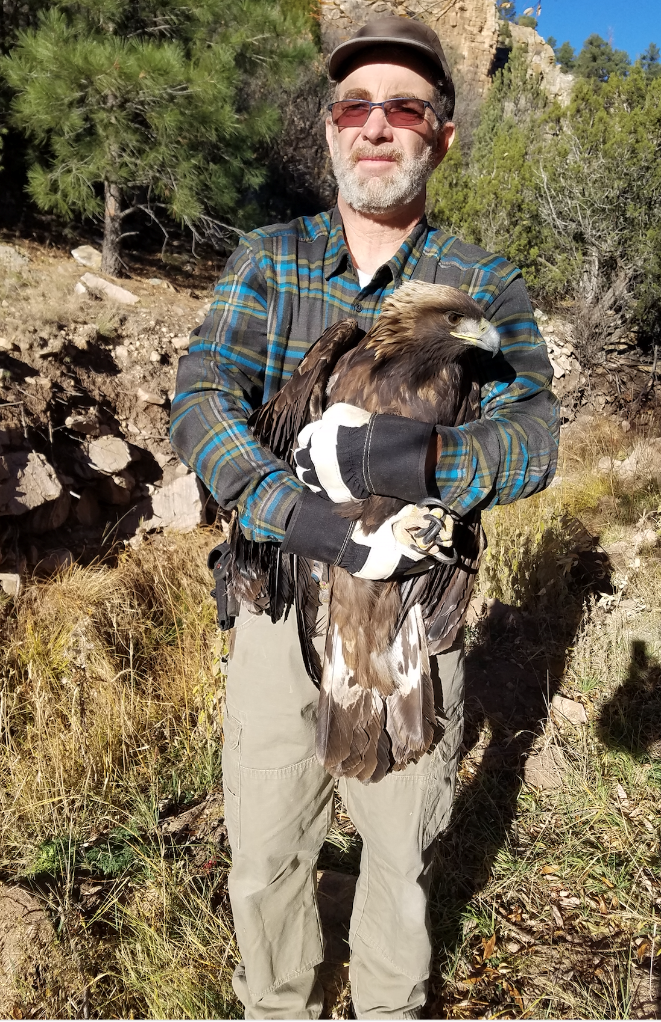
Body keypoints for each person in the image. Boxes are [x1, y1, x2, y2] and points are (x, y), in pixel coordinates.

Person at [170, 15, 559, 1019]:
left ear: (440, 135)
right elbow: (203, 399)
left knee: (400, 858)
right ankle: (278, 1006)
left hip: (412, 622)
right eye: (355, 105)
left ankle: (389, 1006)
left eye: (405, 108)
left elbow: (532, 435)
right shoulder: (272, 258)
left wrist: (406, 456)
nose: (376, 125)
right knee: (261, 855)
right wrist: (304, 514)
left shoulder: (483, 286)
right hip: (279, 600)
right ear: (331, 127)